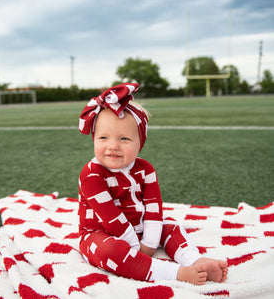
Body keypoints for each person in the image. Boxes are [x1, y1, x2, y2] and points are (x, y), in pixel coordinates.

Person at [77, 83, 228, 284]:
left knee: (171, 226)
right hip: (101, 232)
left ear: (140, 142)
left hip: (139, 228)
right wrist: (135, 246)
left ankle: (196, 261)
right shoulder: (91, 174)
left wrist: (149, 241)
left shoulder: (145, 169)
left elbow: (154, 207)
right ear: (93, 138)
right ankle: (174, 273)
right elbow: (110, 217)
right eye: (103, 137)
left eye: (124, 138)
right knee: (109, 251)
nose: (113, 146)